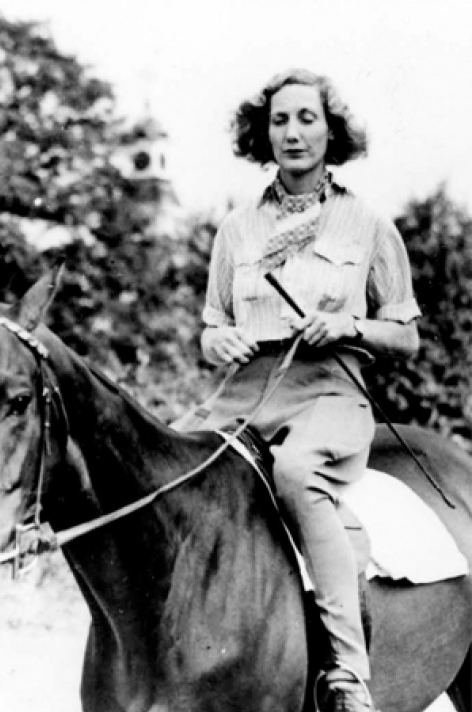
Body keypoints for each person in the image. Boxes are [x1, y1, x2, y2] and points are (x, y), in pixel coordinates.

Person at [182, 68, 420, 712]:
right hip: (245, 393)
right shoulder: (236, 231)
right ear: (263, 133)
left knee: (295, 470)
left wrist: (348, 323)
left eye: (306, 118)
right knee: (174, 466)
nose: (292, 132)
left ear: (331, 131)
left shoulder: (367, 225)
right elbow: (211, 326)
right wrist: (219, 343)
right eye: (280, 120)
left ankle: (347, 668)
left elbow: (405, 336)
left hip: (330, 392)